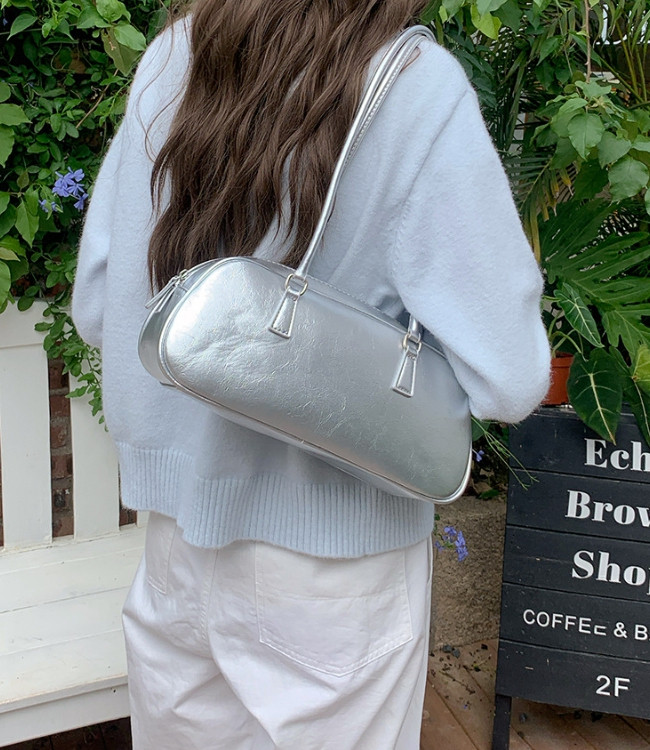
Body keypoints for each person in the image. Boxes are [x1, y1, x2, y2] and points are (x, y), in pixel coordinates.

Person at [72, 1, 551, 748]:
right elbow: (510, 378)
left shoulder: (173, 55)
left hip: (175, 549)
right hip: (339, 570)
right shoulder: (414, 86)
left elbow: (100, 307)